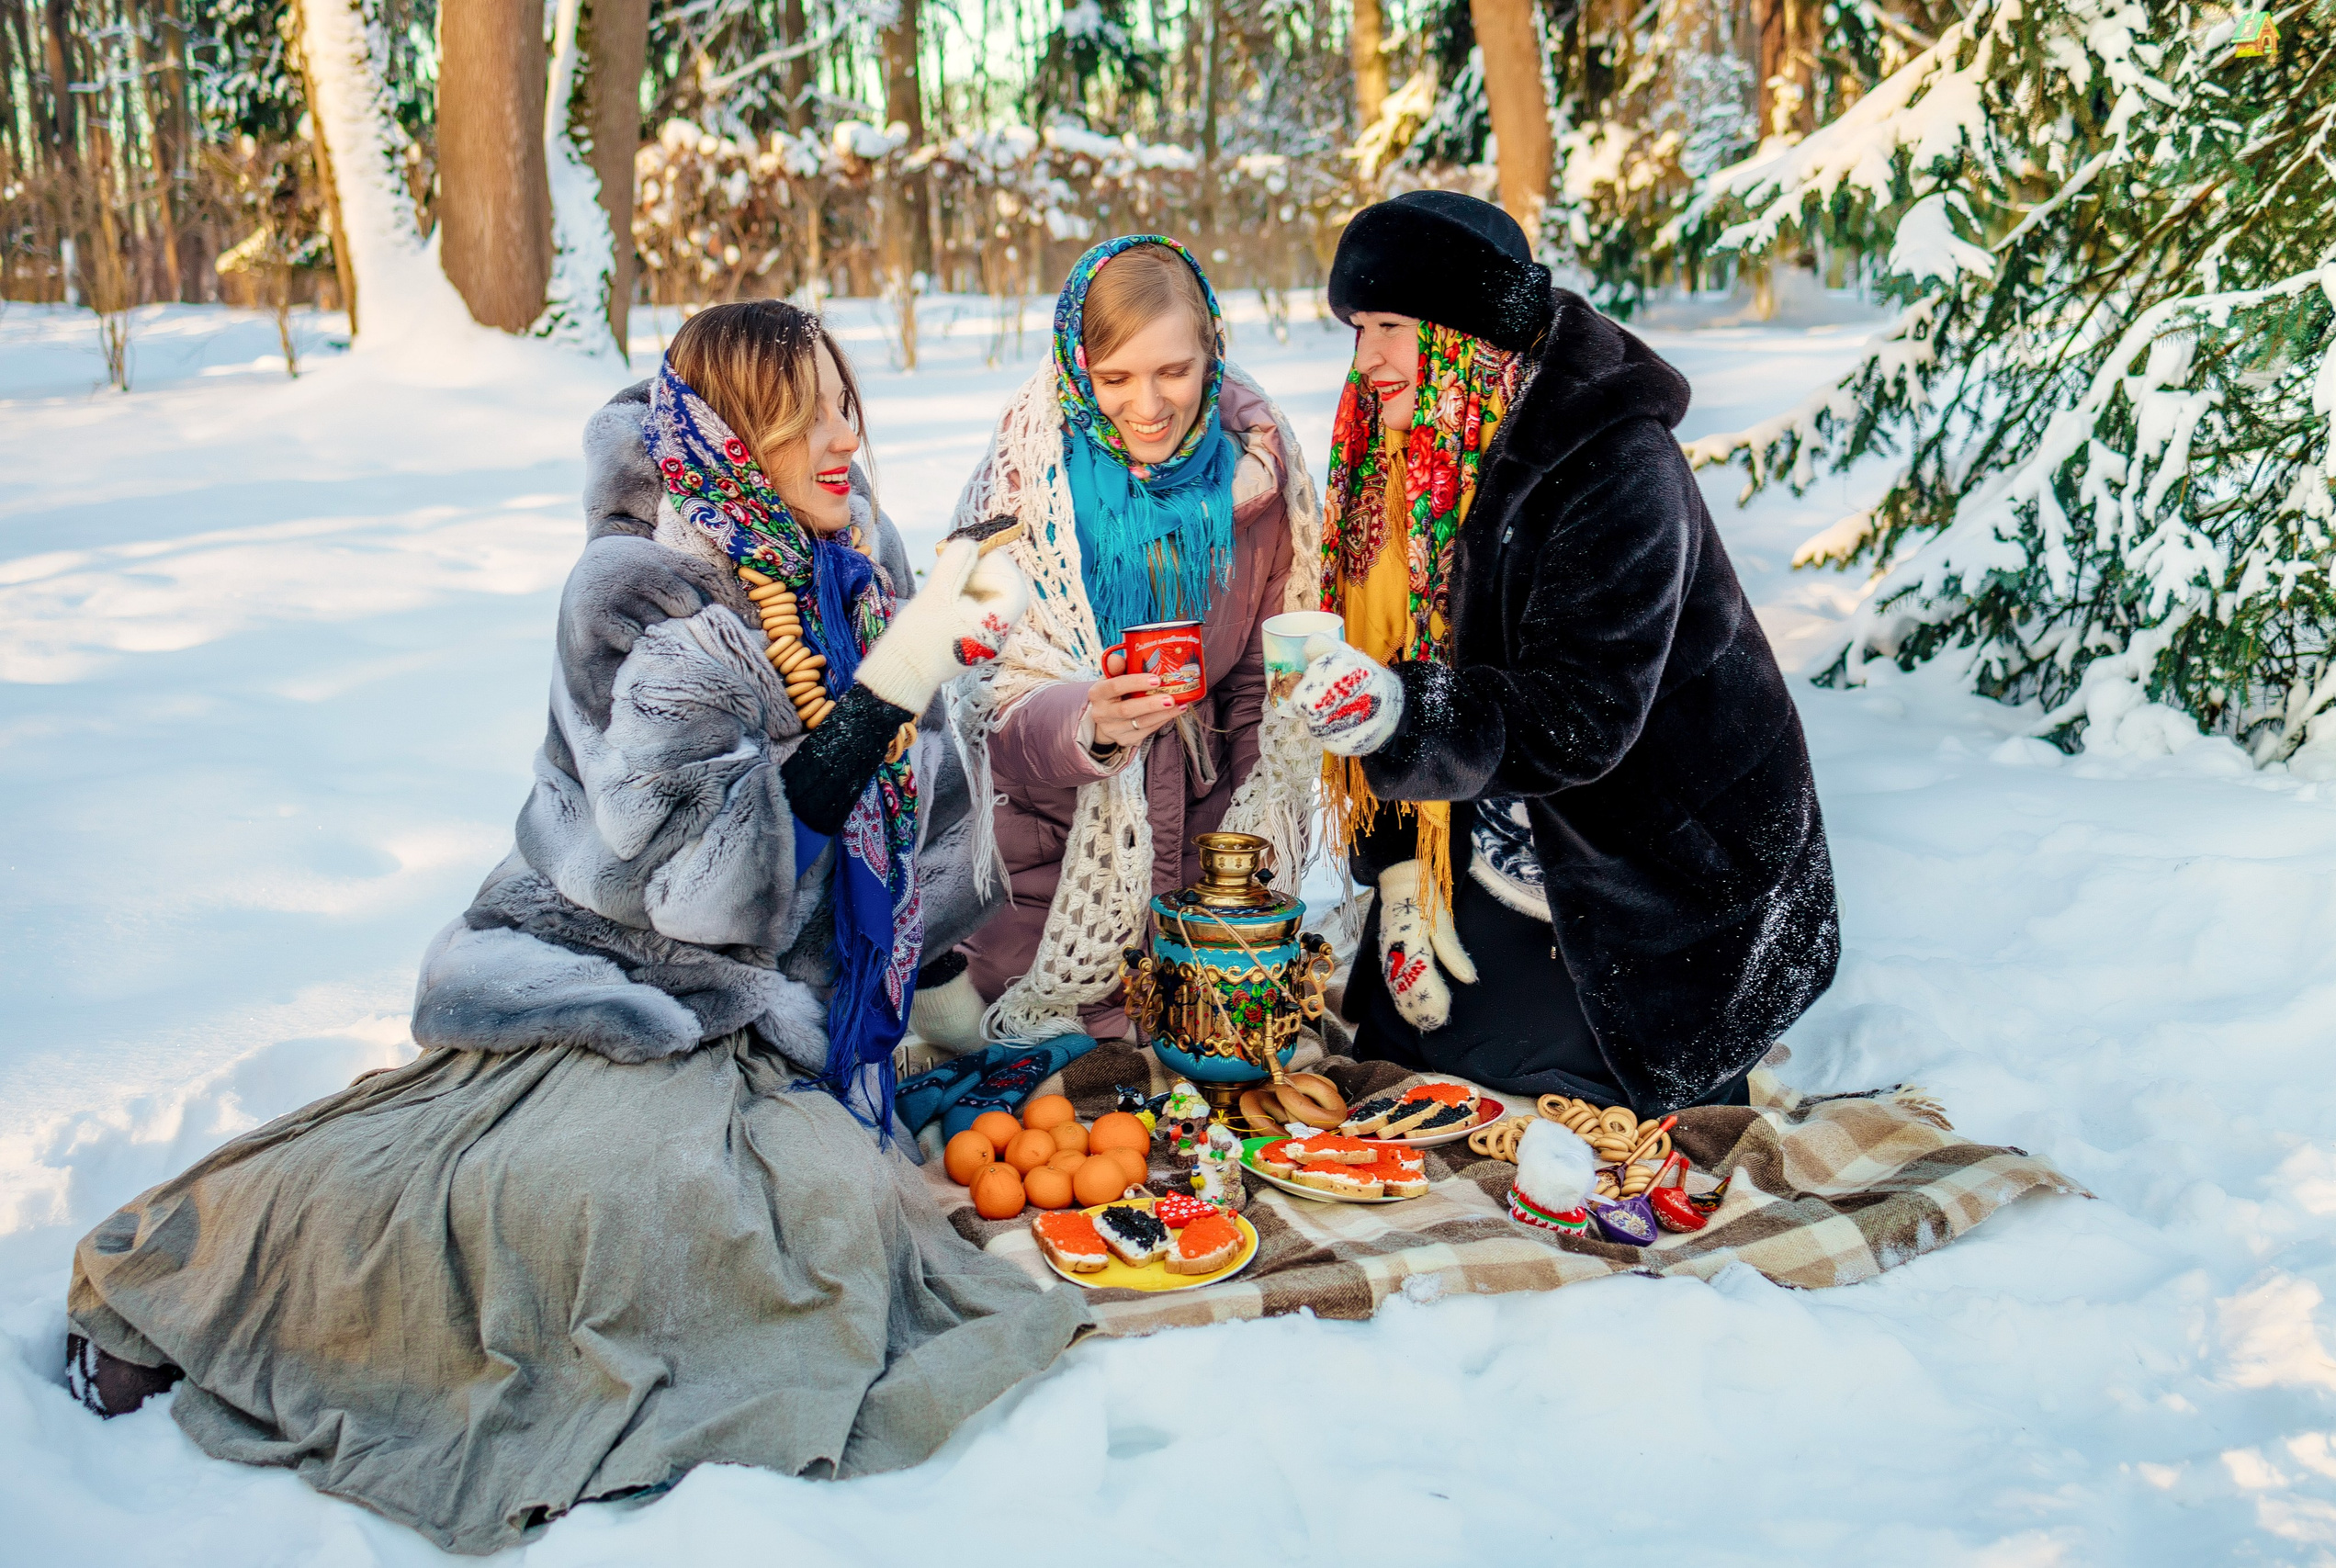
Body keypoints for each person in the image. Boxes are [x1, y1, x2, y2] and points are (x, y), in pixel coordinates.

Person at [62, 300, 1091, 1555]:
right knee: (559, 1199)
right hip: (620, 976)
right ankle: (190, 1283)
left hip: (774, 1007)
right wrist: (896, 678)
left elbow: (907, 800)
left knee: (823, 1207)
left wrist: (930, 956)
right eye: (801, 412)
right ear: (728, 436)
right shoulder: (639, 590)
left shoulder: (855, 554)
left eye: (846, 399)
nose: (842, 435)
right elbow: (702, 888)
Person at [1292, 190, 1840, 1118]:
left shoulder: (1616, 464)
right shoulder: (1410, 465)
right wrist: (1395, 873)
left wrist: (1394, 714)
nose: (1367, 359)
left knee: (1536, 1087)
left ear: (1472, 332)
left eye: (1390, 326)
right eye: (1355, 328)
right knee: (1400, 1048)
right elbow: (1407, 678)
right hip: (1502, 820)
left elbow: (1578, 718)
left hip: (1657, 858)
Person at [915, 234, 1325, 1073]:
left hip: (1197, 859)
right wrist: (1088, 725)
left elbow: (1258, 692)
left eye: (1174, 371)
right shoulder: (1022, 486)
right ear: (1077, 369)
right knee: (1046, 1068)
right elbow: (985, 703)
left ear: (1213, 351)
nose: (1148, 405)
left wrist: (1235, 882)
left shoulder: (1260, 480)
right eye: (1115, 379)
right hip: (1046, 872)